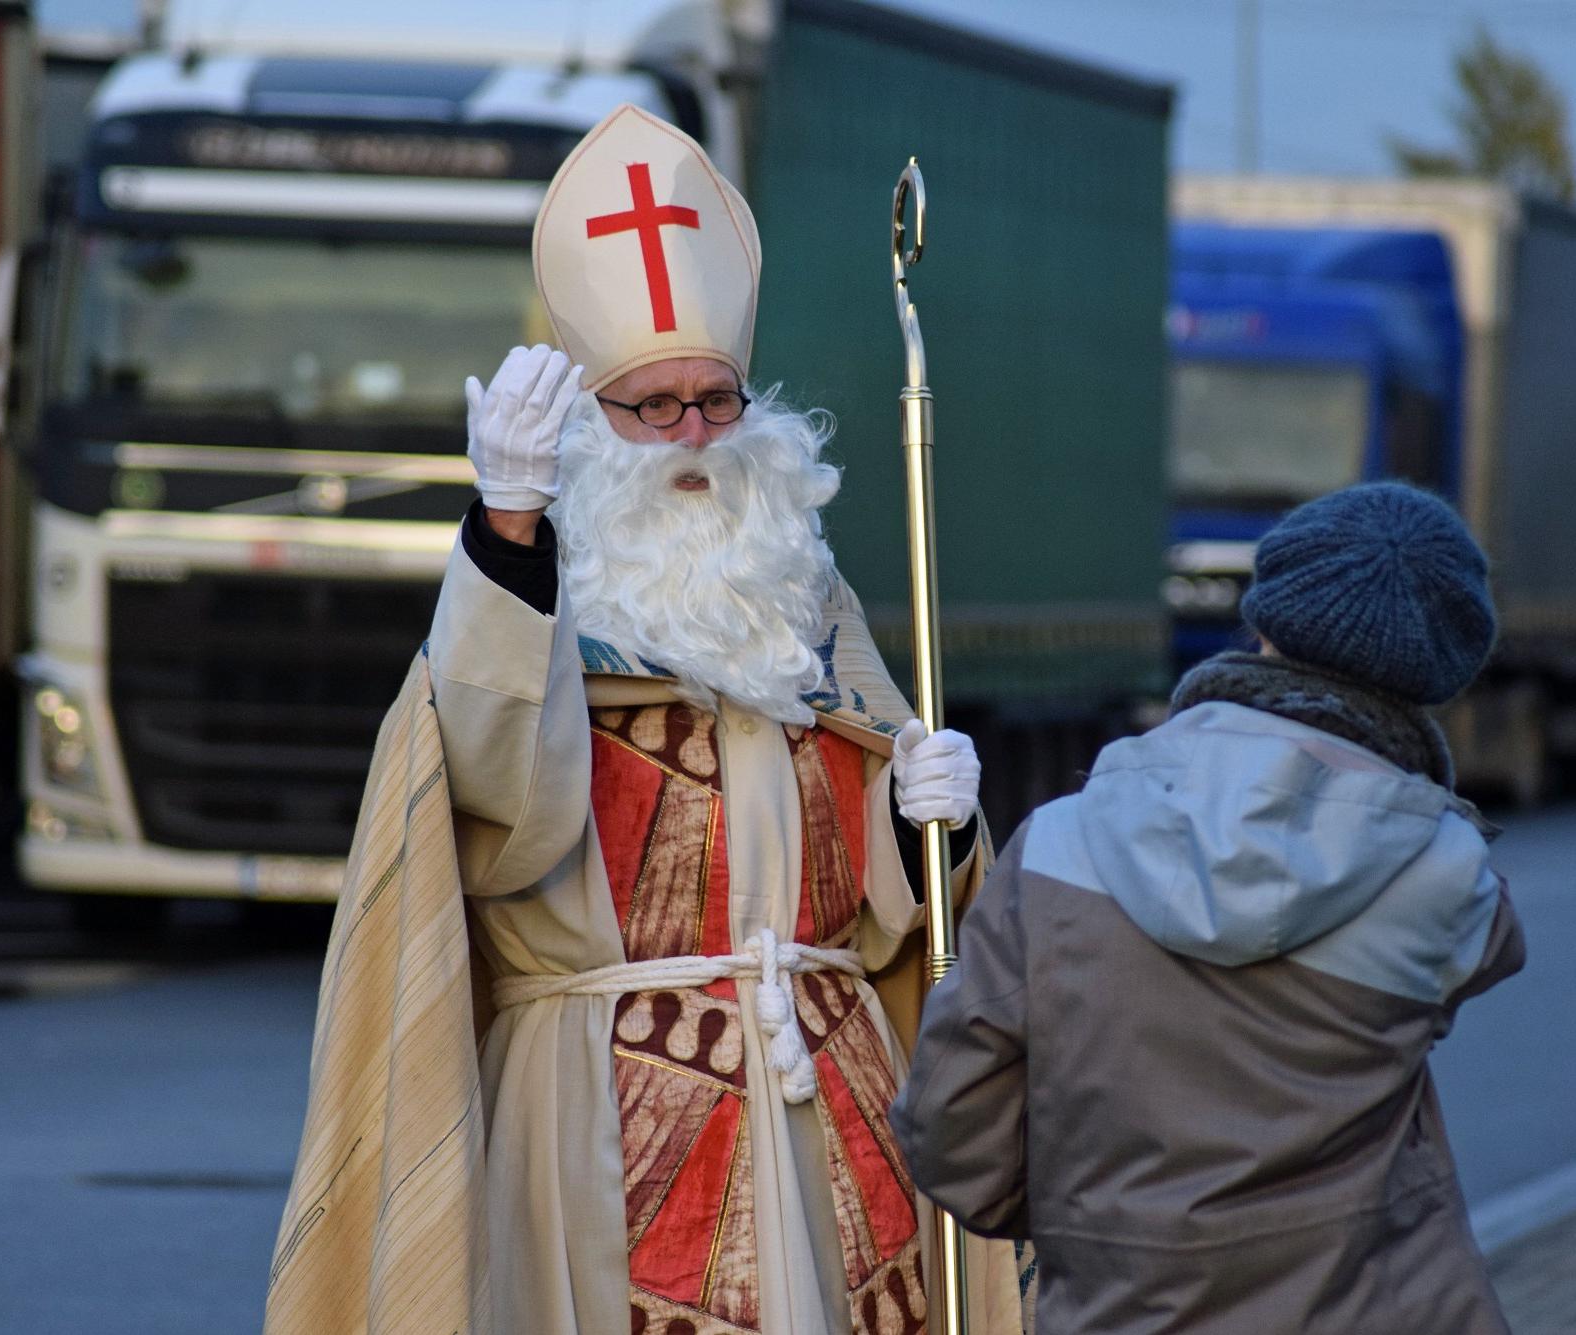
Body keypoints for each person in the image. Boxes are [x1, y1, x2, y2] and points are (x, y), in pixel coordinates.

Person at [266, 104, 1021, 1335]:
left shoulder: (802, 596)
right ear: (589, 426)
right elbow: (490, 818)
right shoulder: (532, 608)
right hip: (596, 1112)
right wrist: (504, 538)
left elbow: (896, 919)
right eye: (650, 406)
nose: (692, 440)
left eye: (715, 402)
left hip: (826, 1101)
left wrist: (923, 814)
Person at [891, 481, 1527, 1334]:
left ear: (1265, 620)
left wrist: (1096, 1222)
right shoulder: (1453, 883)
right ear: (1437, 669)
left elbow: (952, 1130)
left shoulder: (1054, 848)